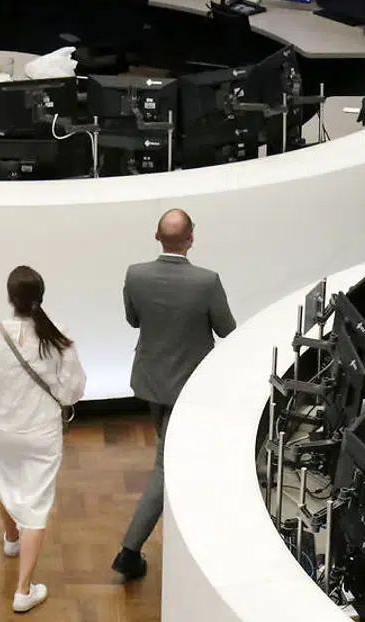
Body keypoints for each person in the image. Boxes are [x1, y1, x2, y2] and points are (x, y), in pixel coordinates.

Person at [112, 208, 236, 581]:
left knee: (169, 456)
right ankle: (129, 551)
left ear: (156, 235)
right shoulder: (207, 281)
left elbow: (134, 320)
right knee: (167, 465)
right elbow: (226, 329)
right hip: (191, 386)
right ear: (192, 237)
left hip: (152, 384)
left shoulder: (136, 275)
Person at [0, 265, 86, 613]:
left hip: (3, 429)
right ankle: (22, 590)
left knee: (7, 479)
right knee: (36, 505)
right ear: (41, 297)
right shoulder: (58, 334)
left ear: (9, 298)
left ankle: (11, 540)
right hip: (43, 433)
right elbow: (73, 389)